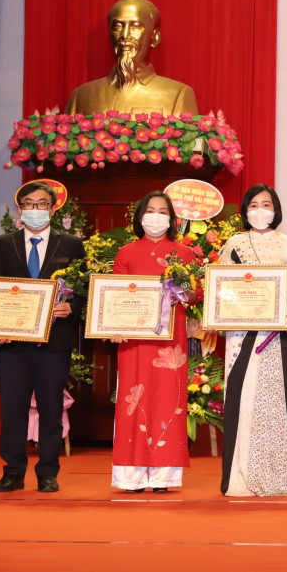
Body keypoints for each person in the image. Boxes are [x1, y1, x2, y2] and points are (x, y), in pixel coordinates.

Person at [0, 181, 86, 493]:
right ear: (20, 209)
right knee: (12, 409)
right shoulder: (3, 243)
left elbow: (83, 290)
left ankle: (48, 472)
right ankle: (13, 472)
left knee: (51, 409)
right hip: (12, 344)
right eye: (29, 203)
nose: (35, 209)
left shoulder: (71, 244)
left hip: (54, 343)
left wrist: (71, 307)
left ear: (53, 209)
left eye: (42, 203)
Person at [218, 184, 287, 496]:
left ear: (276, 209)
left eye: (266, 204)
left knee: (273, 402)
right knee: (242, 398)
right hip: (240, 334)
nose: (260, 210)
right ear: (245, 211)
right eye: (253, 205)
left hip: (276, 336)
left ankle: (275, 476)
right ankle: (239, 477)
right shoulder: (234, 244)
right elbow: (220, 288)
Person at [110, 191, 196, 492]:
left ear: (172, 219)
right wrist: (113, 326)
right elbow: (115, 295)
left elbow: (195, 294)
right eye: (150, 210)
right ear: (140, 216)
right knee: (133, 401)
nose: (156, 216)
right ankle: (130, 477)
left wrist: (182, 292)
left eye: (163, 211)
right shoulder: (126, 252)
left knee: (167, 400)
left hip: (171, 341)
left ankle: (164, 477)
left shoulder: (184, 253)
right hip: (133, 340)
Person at [65, 0, 198, 116]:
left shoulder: (177, 95)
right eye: (118, 27)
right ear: (110, 37)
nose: (125, 35)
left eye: (135, 27)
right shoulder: (81, 96)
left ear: (155, 37)